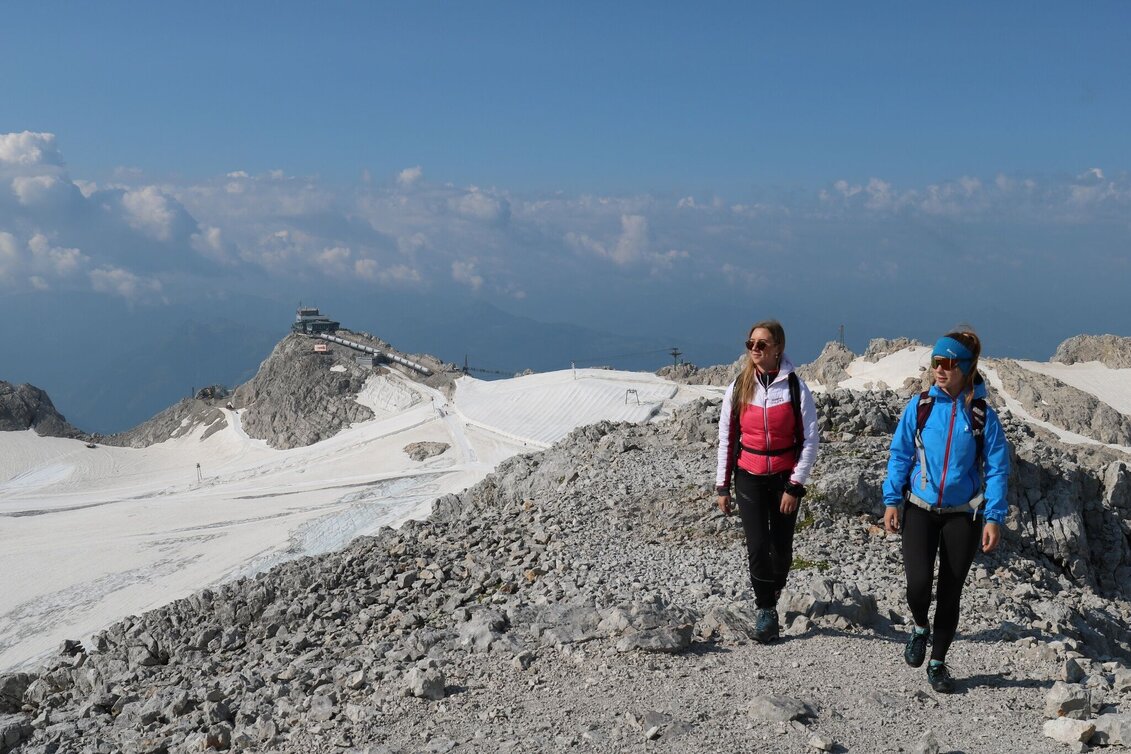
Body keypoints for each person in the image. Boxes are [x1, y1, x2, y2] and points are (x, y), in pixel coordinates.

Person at [882, 330, 1009, 693]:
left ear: (966, 368)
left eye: (949, 363)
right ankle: (920, 626)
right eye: (936, 362)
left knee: (951, 590)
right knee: (918, 585)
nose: (939, 369)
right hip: (919, 507)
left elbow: (997, 469)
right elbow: (901, 453)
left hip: (963, 515)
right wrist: (892, 499)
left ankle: (937, 662)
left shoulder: (983, 416)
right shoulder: (920, 406)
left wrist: (994, 517)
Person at [715, 319, 820, 643]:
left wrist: (794, 486)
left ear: (778, 349)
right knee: (758, 545)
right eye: (750, 344)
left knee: (781, 550)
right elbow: (727, 437)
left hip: (785, 477)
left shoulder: (794, 388)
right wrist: (722, 485)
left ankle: (771, 593)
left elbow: (811, 441)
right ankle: (766, 610)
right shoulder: (739, 386)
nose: (754, 350)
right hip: (748, 474)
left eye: (761, 344)